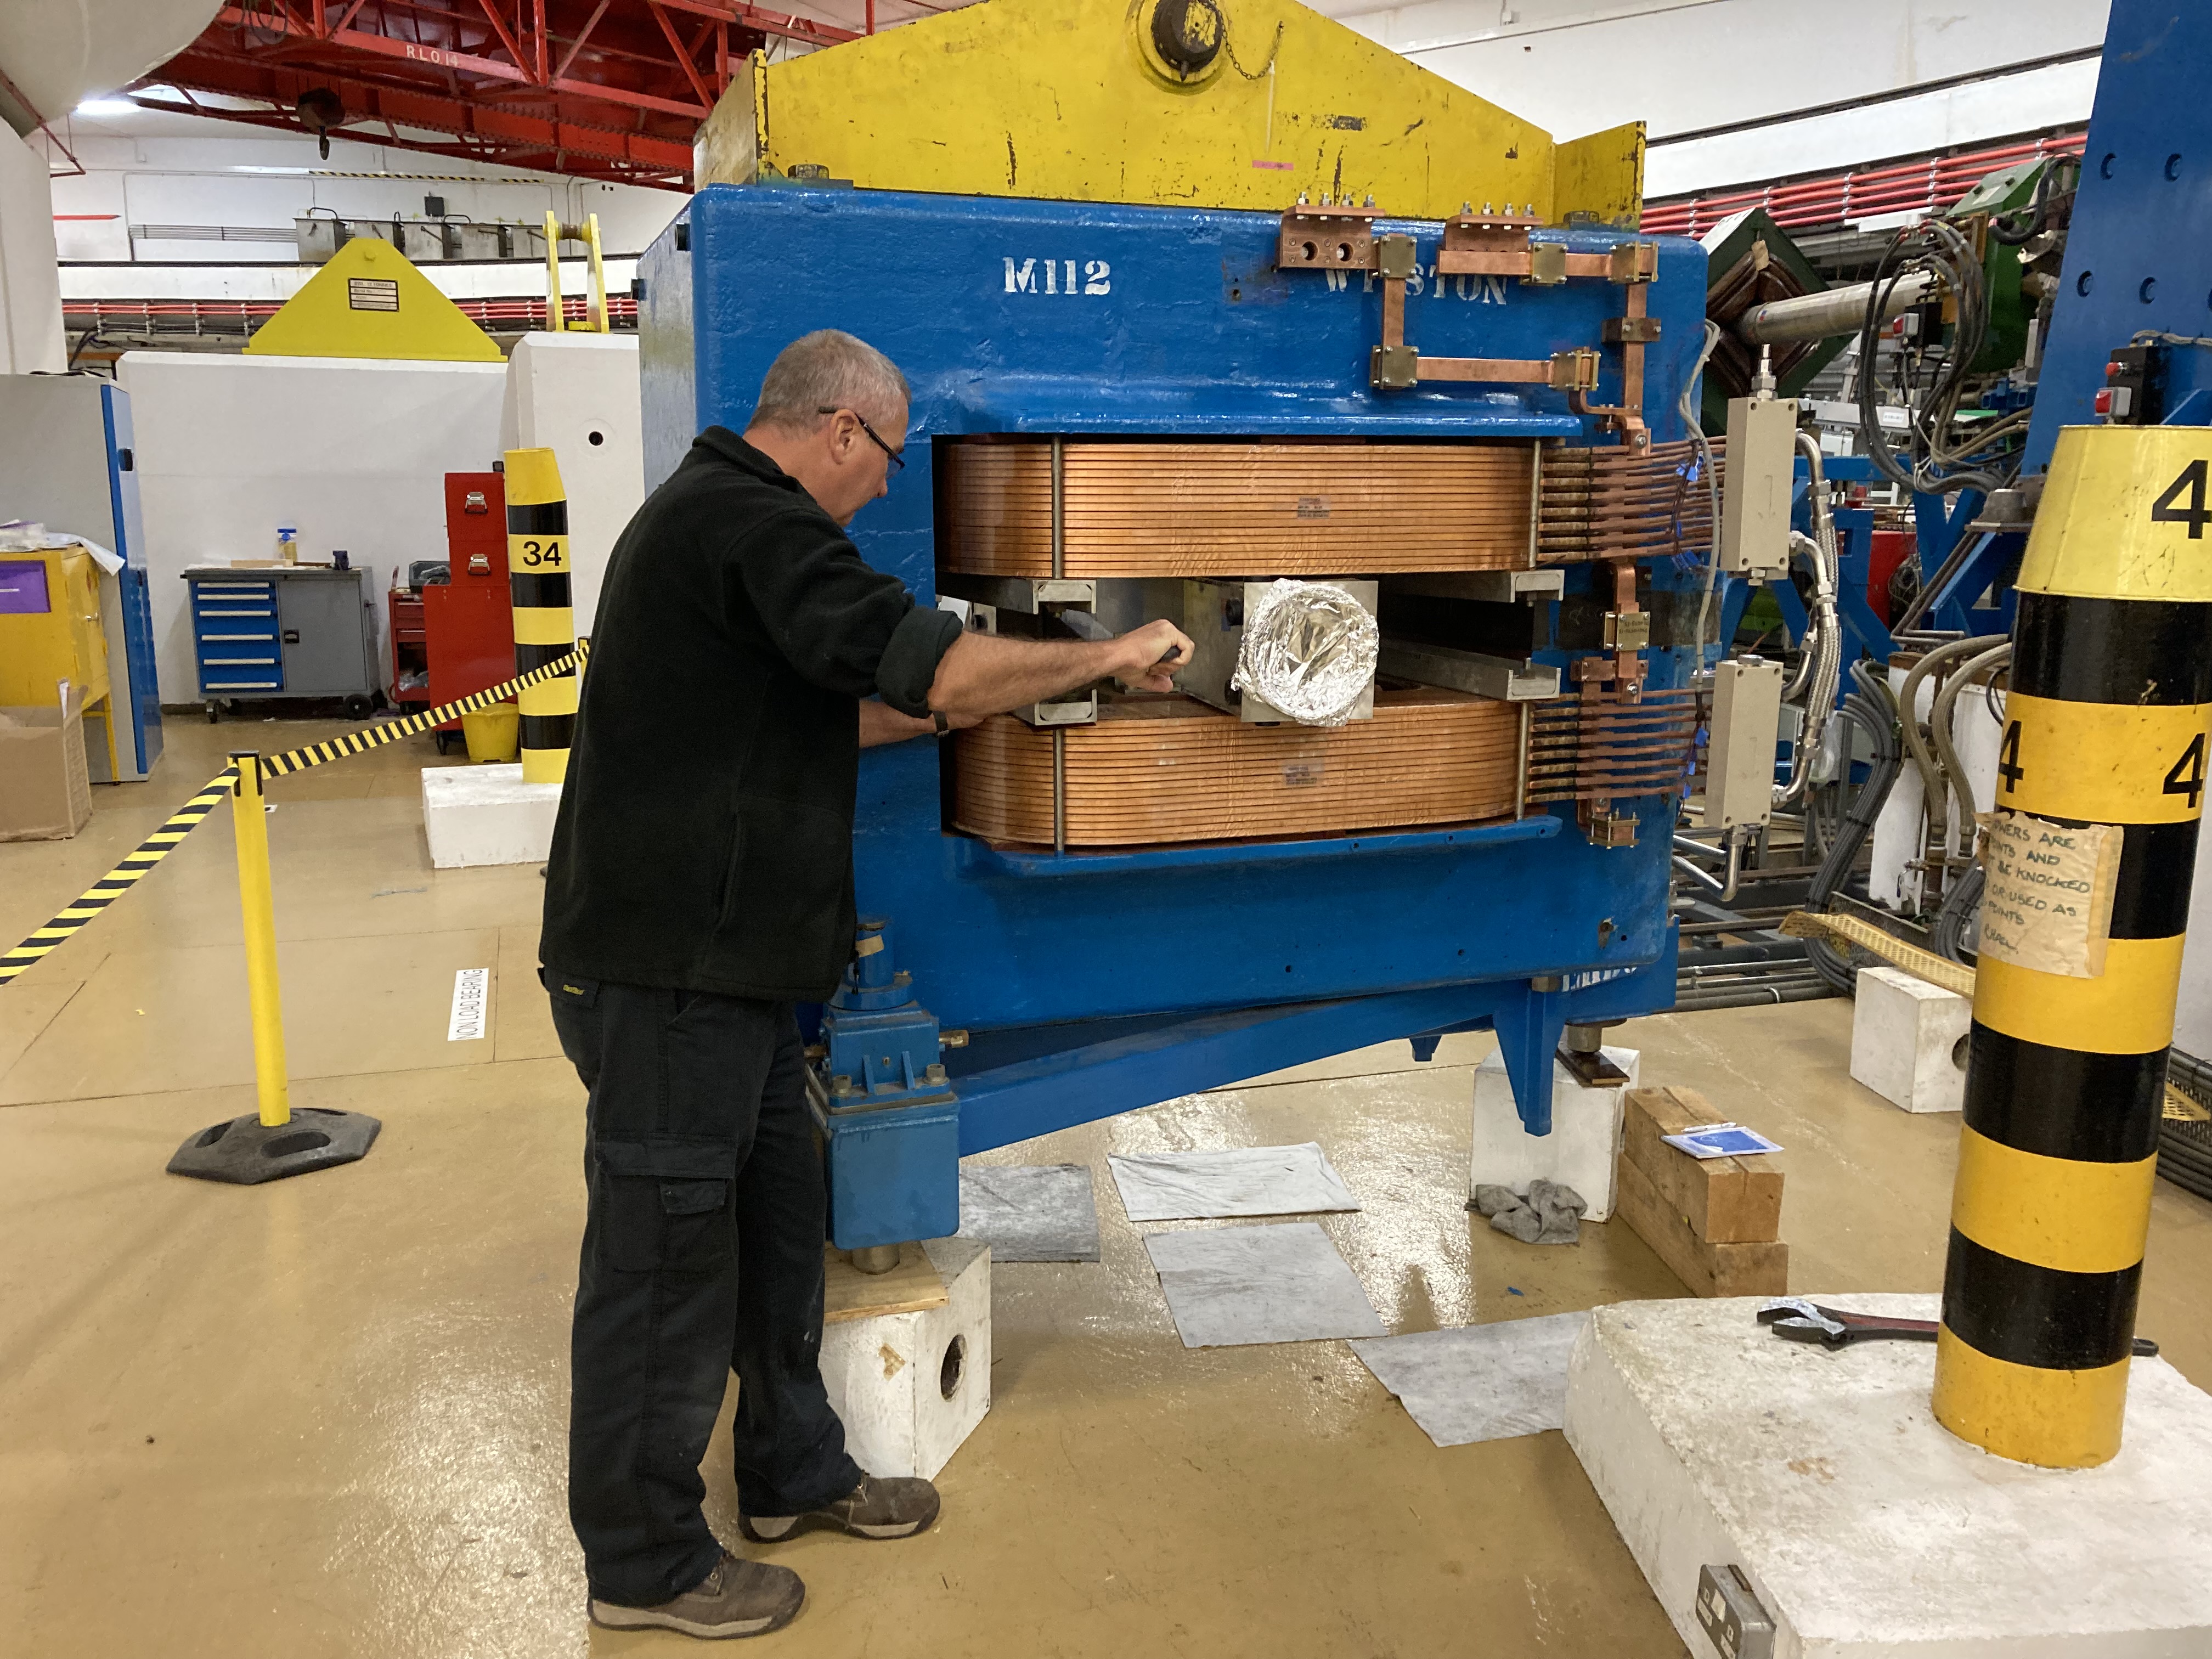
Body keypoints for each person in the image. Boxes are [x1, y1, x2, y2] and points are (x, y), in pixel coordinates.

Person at [539, 329, 1193, 1640]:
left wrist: (990, 702)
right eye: (887, 458)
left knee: (780, 1231)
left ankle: (791, 1473)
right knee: (663, 1268)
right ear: (841, 429)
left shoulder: (720, 525)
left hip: (743, 978)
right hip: (673, 975)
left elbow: (850, 710)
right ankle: (643, 1564)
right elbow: (930, 664)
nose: (888, 487)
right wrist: (1098, 657)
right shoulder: (754, 524)